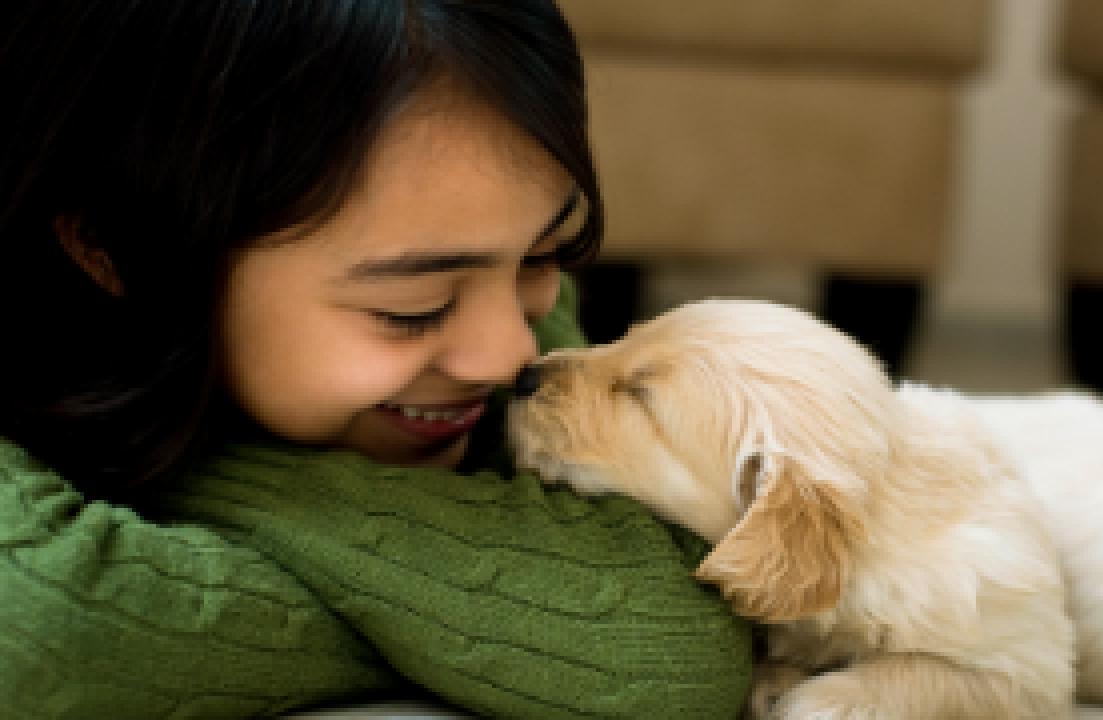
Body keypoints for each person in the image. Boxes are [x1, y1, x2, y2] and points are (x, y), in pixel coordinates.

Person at [0, 1, 753, 717]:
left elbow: (660, 641)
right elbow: (40, 637)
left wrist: (201, 474)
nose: (511, 356)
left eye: (545, 254)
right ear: (116, 247)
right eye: (412, 309)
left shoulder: (483, 264)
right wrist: (446, 630)